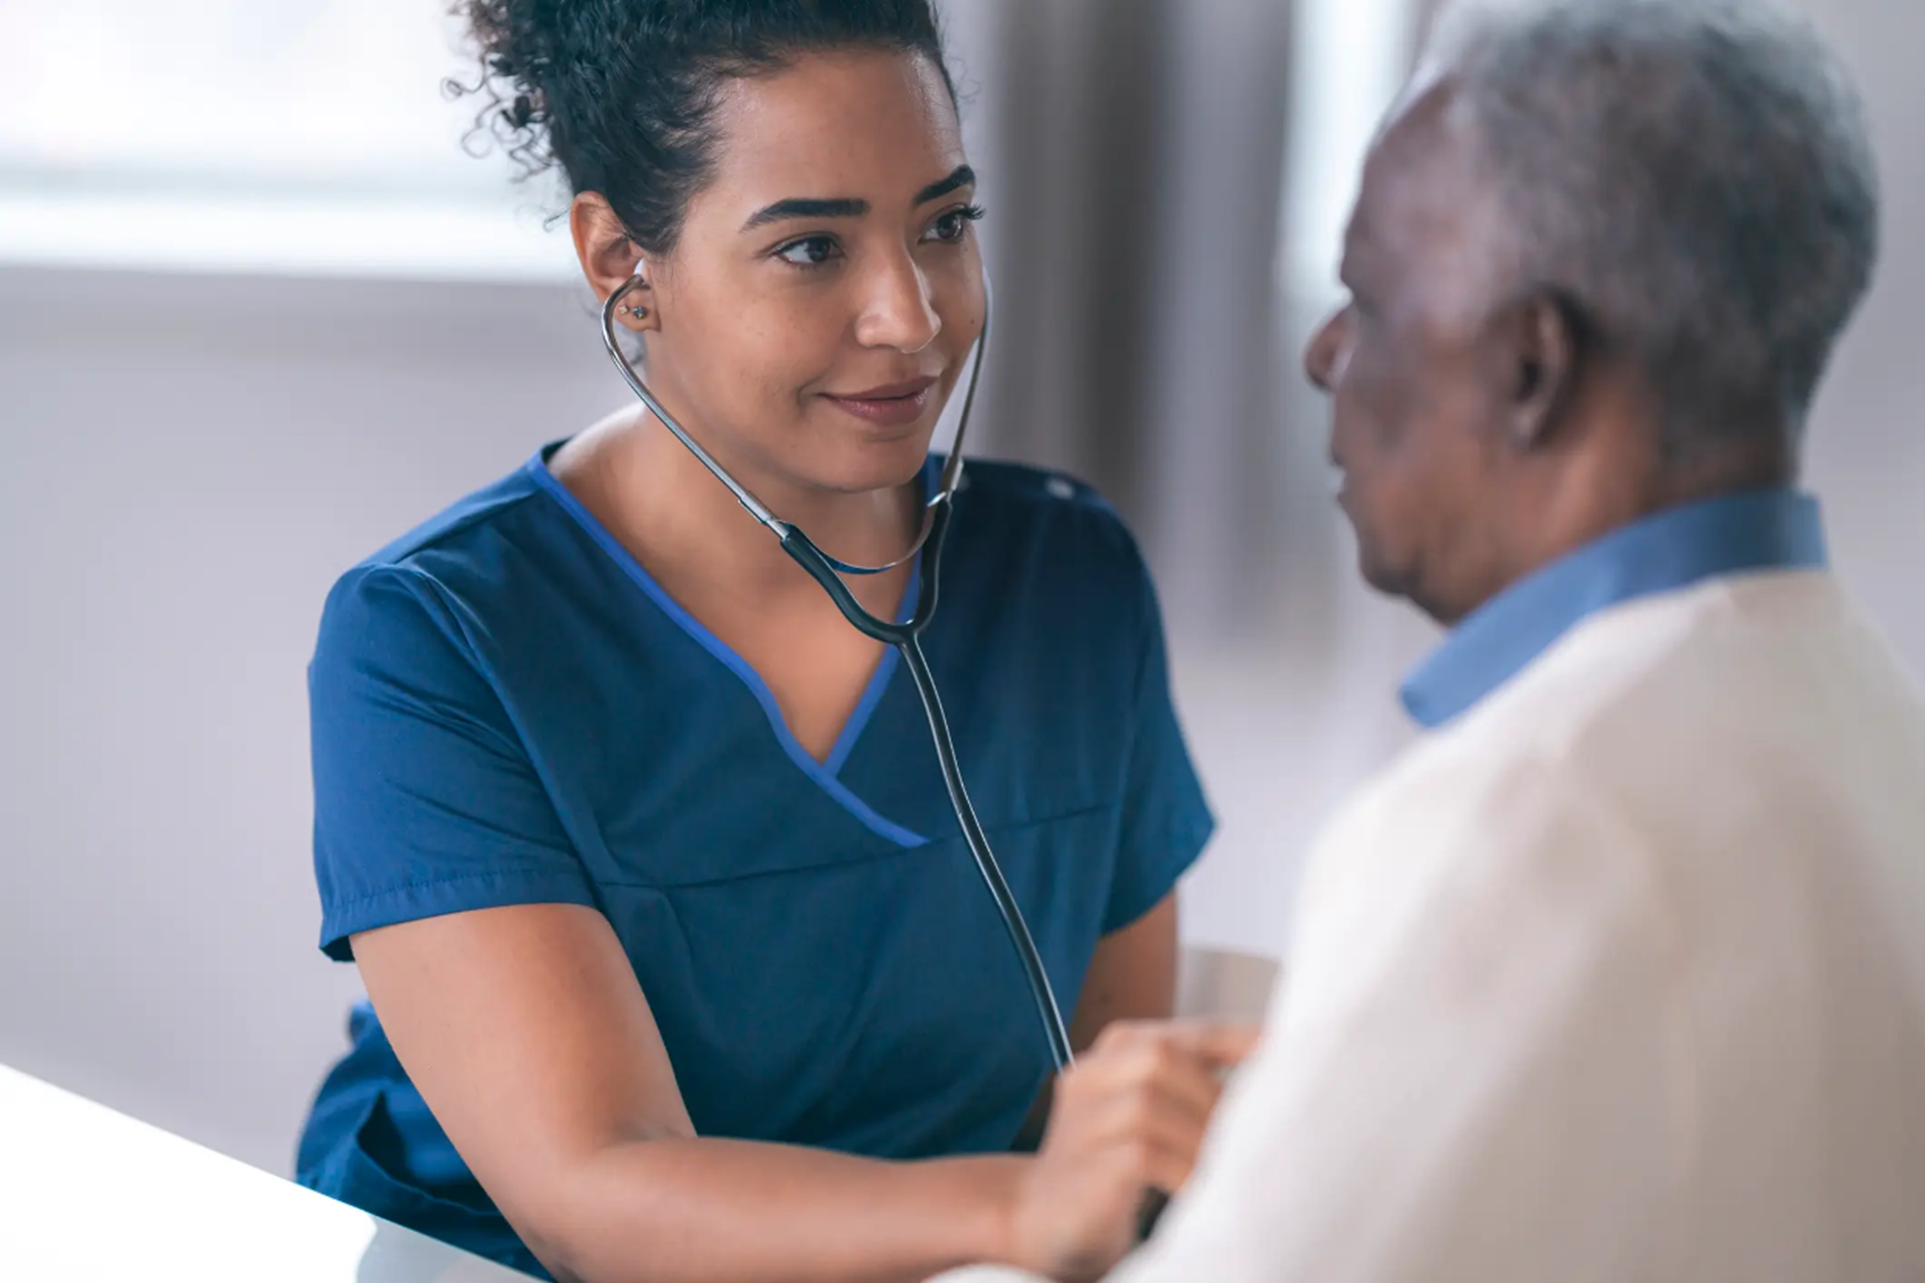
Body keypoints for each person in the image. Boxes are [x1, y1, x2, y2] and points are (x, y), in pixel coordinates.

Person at [937, 0, 1925, 1279]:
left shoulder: (1530, 811)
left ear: (1530, 365)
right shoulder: (1862, 714)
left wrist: (1011, 1234)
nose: (1320, 353)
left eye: (1367, 298)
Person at [291, 3, 1255, 1280]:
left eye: (945, 224)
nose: (909, 317)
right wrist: (1013, 1214)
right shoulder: (432, 639)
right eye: (811, 248)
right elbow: (597, 1193)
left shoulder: (1069, 581)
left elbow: (1097, 1120)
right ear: (619, 260)